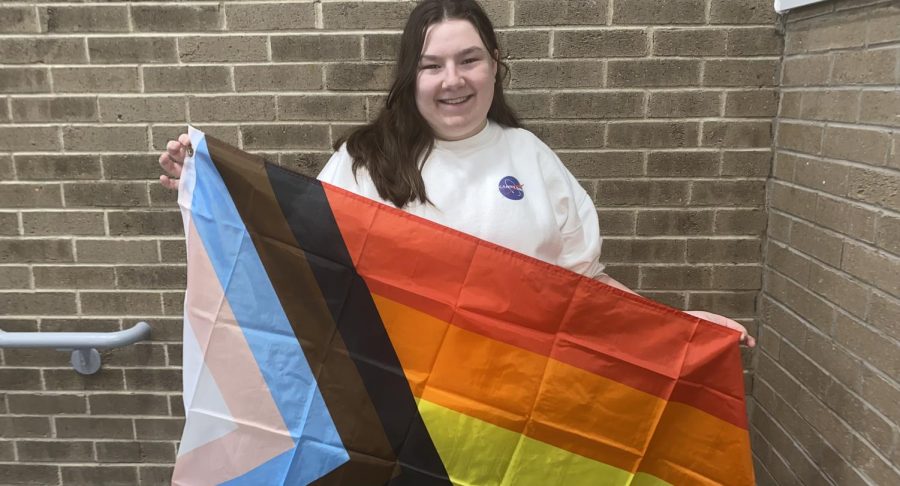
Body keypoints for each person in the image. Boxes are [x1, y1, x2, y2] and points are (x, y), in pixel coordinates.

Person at [158, 0, 754, 347]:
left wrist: (680, 330)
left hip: (518, 401)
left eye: (469, 60)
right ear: (409, 77)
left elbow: (584, 284)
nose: (453, 80)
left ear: (495, 66)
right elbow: (300, 255)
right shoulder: (364, 162)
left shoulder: (531, 158)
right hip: (402, 406)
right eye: (432, 65)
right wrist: (211, 188)